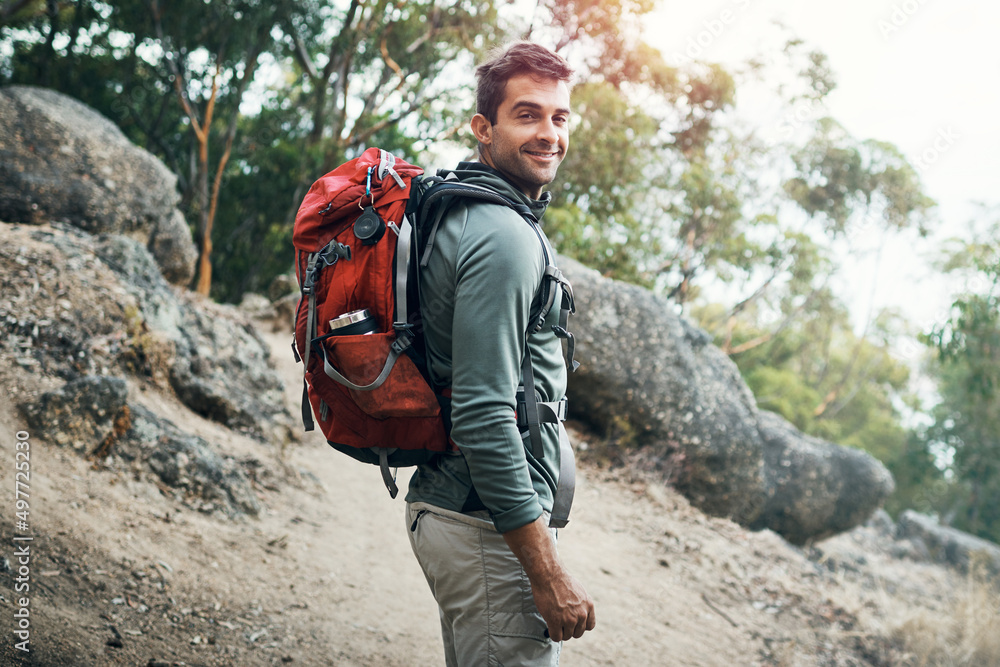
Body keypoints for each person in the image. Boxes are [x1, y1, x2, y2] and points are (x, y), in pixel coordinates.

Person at [404, 41, 596, 666]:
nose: (549, 134)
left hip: (460, 512)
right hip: (485, 528)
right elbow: (485, 416)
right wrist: (546, 573)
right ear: (483, 128)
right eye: (528, 114)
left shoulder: (469, 208)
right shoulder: (504, 235)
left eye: (560, 117)